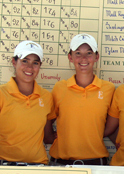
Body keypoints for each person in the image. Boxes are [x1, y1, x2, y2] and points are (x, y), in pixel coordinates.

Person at [48, 34, 114, 165]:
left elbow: (113, 124)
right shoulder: (59, 88)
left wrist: (94, 133)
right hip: (61, 164)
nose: (83, 58)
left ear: (97, 57)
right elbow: (47, 121)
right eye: (78, 53)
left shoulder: (108, 89)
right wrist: (51, 137)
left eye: (89, 53)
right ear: (70, 57)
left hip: (96, 164)